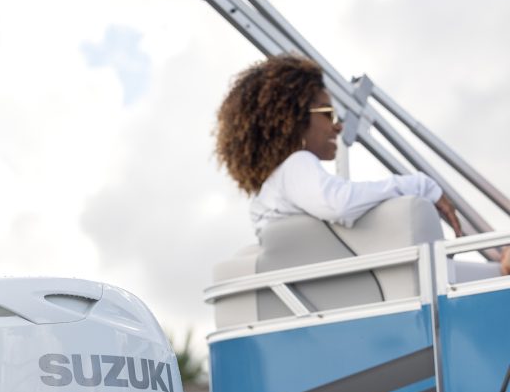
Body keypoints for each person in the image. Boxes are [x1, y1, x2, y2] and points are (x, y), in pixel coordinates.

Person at [214, 53, 510, 274]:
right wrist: (421, 185)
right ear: (293, 120)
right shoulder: (296, 166)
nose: (338, 126)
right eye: (327, 113)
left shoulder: (274, 192)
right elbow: (340, 203)